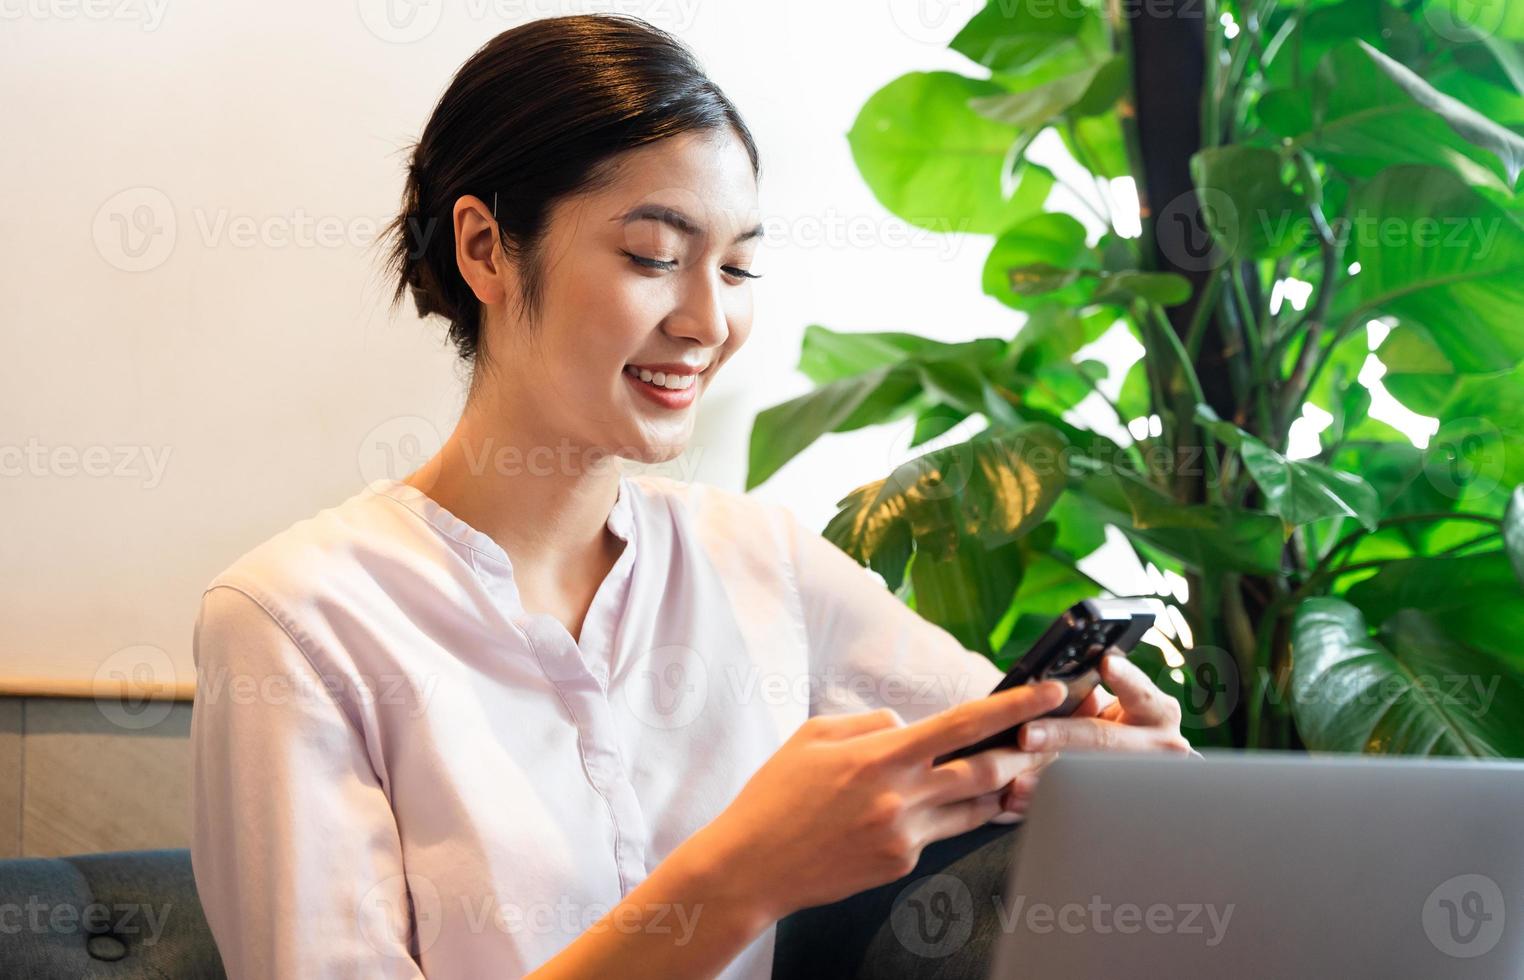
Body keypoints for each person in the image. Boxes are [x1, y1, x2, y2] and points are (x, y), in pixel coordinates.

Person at [187, 13, 1191, 979]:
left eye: (740, 266)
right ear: (486, 247)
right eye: (653, 257)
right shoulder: (295, 619)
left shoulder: (760, 558)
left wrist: (1103, 761)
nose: (710, 319)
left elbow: (992, 747)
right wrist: (740, 877)